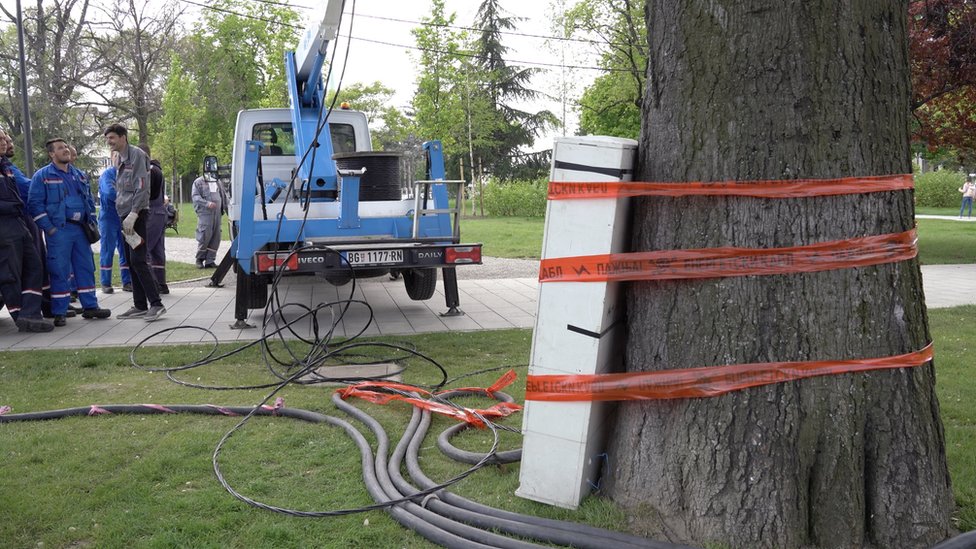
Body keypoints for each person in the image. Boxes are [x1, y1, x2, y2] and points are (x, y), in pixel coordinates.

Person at [27, 138, 111, 326]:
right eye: (60, 148)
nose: (65, 150)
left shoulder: (79, 175)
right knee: (59, 270)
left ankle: (91, 307)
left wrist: (91, 222)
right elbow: (34, 205)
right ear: (51, 154)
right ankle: (60, 311)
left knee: (86, 268)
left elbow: (89, 201)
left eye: (65, 147)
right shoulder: (42, 176)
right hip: (59, 231)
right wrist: (49, 229)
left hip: (80, 230)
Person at [103, 123, 165, 321]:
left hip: (135, 215)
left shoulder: (137, 155)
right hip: (124, 215)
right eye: (108, 139)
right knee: (131, 260)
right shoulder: (120, 158)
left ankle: (156, 304)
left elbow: (142, 187)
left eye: (112, 138)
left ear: (123, 137)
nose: (109, 142)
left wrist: (135, 213)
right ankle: (139, 305)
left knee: (138, 259)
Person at [0, 130, 53, 332]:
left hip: (18, 222)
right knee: (10, 272)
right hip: (4, 226)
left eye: (4, 138)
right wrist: (11, 205)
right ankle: (19, 315)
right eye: (0, 139)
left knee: (34, 265)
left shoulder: (7, 168)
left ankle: (31, 312)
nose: (4, 142)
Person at [97, 152, 132, 294]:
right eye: (116, 156)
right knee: (108, 249)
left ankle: (127, 281)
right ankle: (106, 282)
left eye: (122, 156)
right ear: (112, 158)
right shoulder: (107, 175)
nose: (120, 158)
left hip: (123, 216)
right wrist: (126, 196)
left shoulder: (128, 173)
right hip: (109, 216)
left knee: (125, 249)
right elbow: (109, 193)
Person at [143, 147, 169, 294]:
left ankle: (151, 284)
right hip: (159, 212)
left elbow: (148, 194)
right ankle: (161, 282)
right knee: (158, 250)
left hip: (151, 212)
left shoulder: (150, 171)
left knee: (144, 248)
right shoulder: (157, 169)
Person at [191, 169, 227, 269]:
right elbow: (195, 197)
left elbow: (223, 195)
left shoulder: (217, 181)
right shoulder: (198, 182)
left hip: (217, 214)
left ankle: (210, 260)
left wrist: (226, 208)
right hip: (205, 214)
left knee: (216, 237)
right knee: (205, 236)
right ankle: (199, 259)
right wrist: (207, 204)